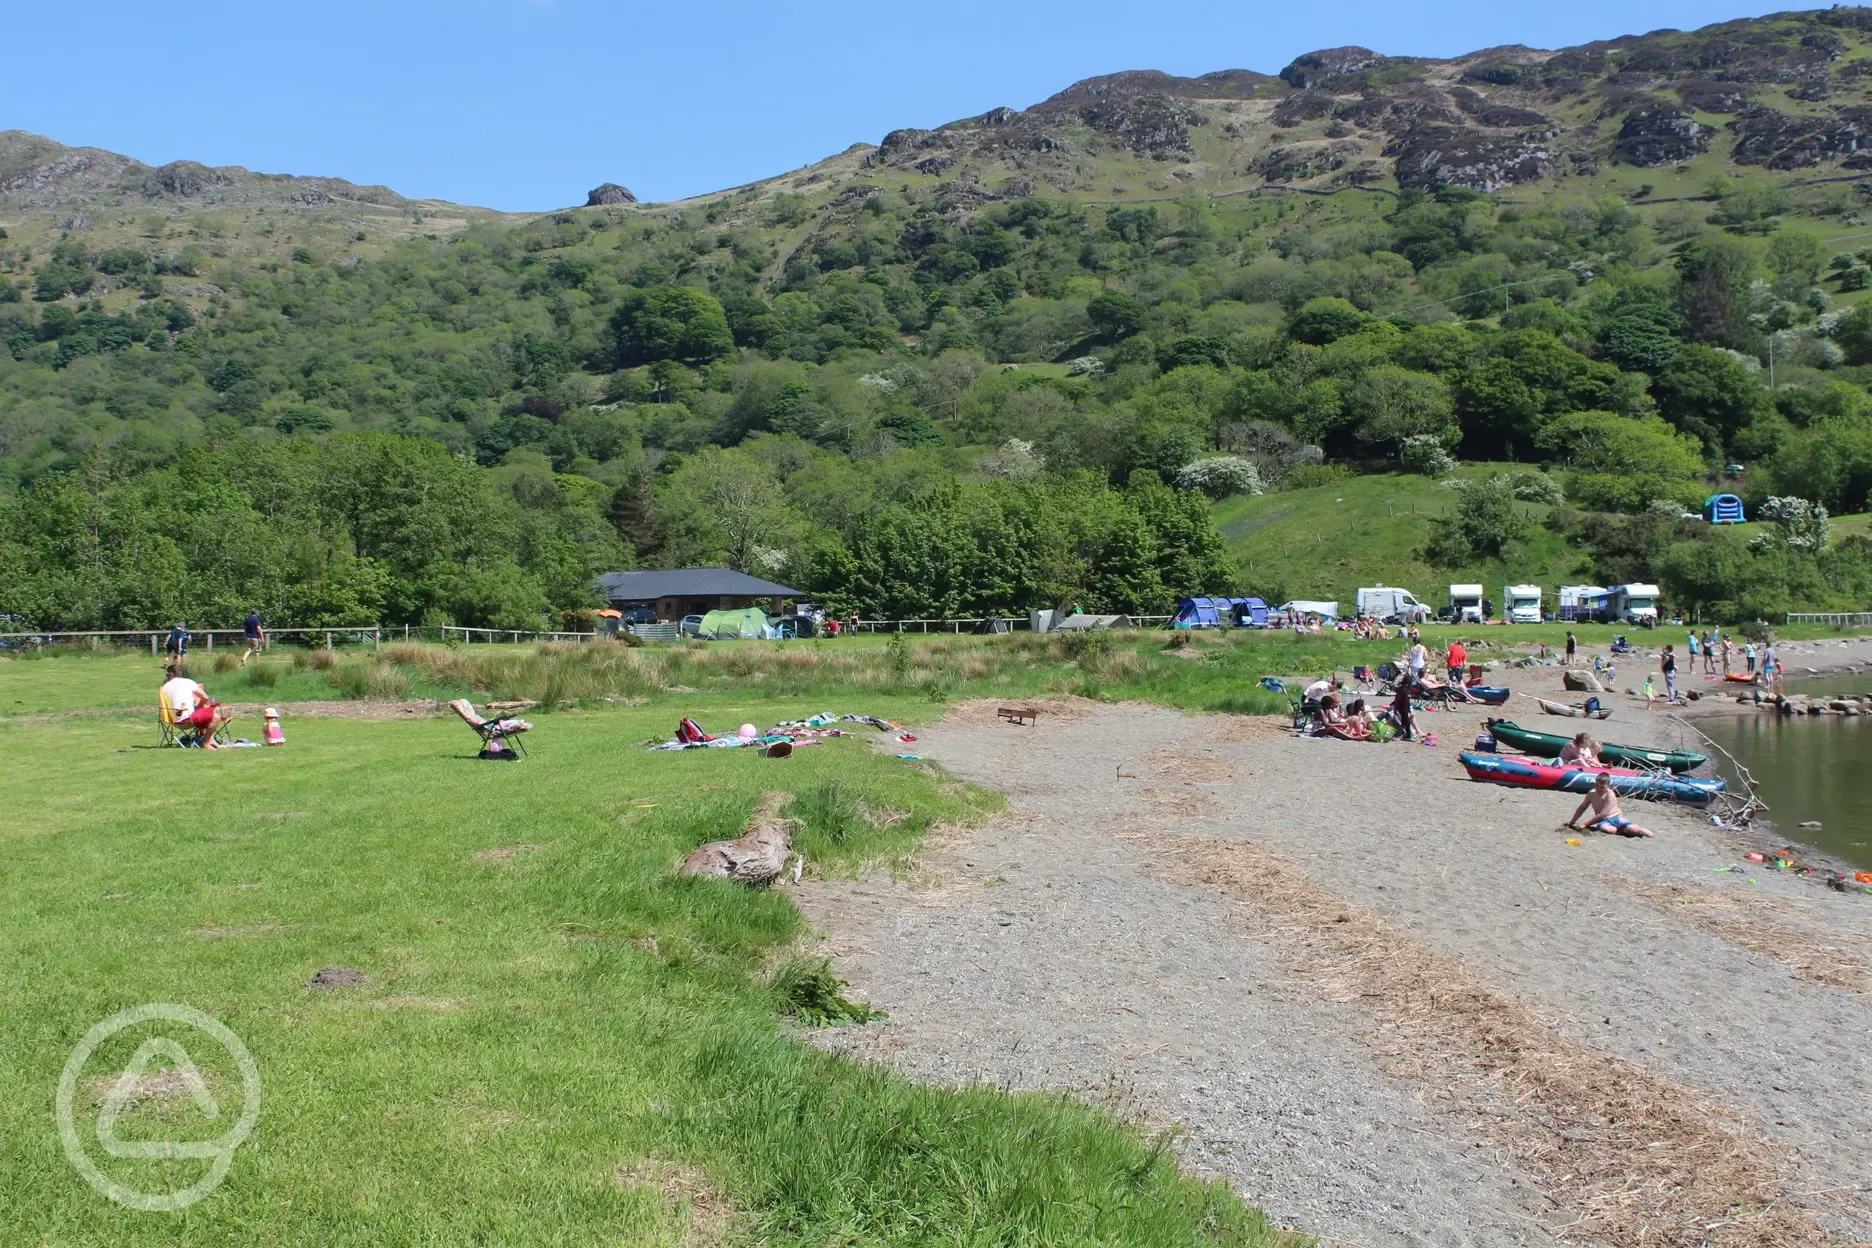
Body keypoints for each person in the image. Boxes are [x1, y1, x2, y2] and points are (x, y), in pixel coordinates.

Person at [1568, 772, 1653, 837]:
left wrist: (1586, 824)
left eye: (1602, 787)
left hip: (1615, 817)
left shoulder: (1609, 794)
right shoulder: (1591, 793)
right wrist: (1572, 822)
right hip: (1603, 821)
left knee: (1633, 829)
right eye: (1597, 786)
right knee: (1606, 829)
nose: (1599, 789)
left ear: (1608, 786)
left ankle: (1639, 830)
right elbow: (1582, 807)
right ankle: (1622, 832)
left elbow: (1604, 813)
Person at [159, 664, 226, 749]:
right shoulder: (188, 682)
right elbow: (205, 697)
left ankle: (210, 739)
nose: (167, 677)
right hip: (188, 720)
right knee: (215, 716)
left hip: (172, 720)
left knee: (205, 715)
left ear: (171, 675)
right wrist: (197, 707)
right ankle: (206, 742)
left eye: (167, 675)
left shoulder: (164, 687)